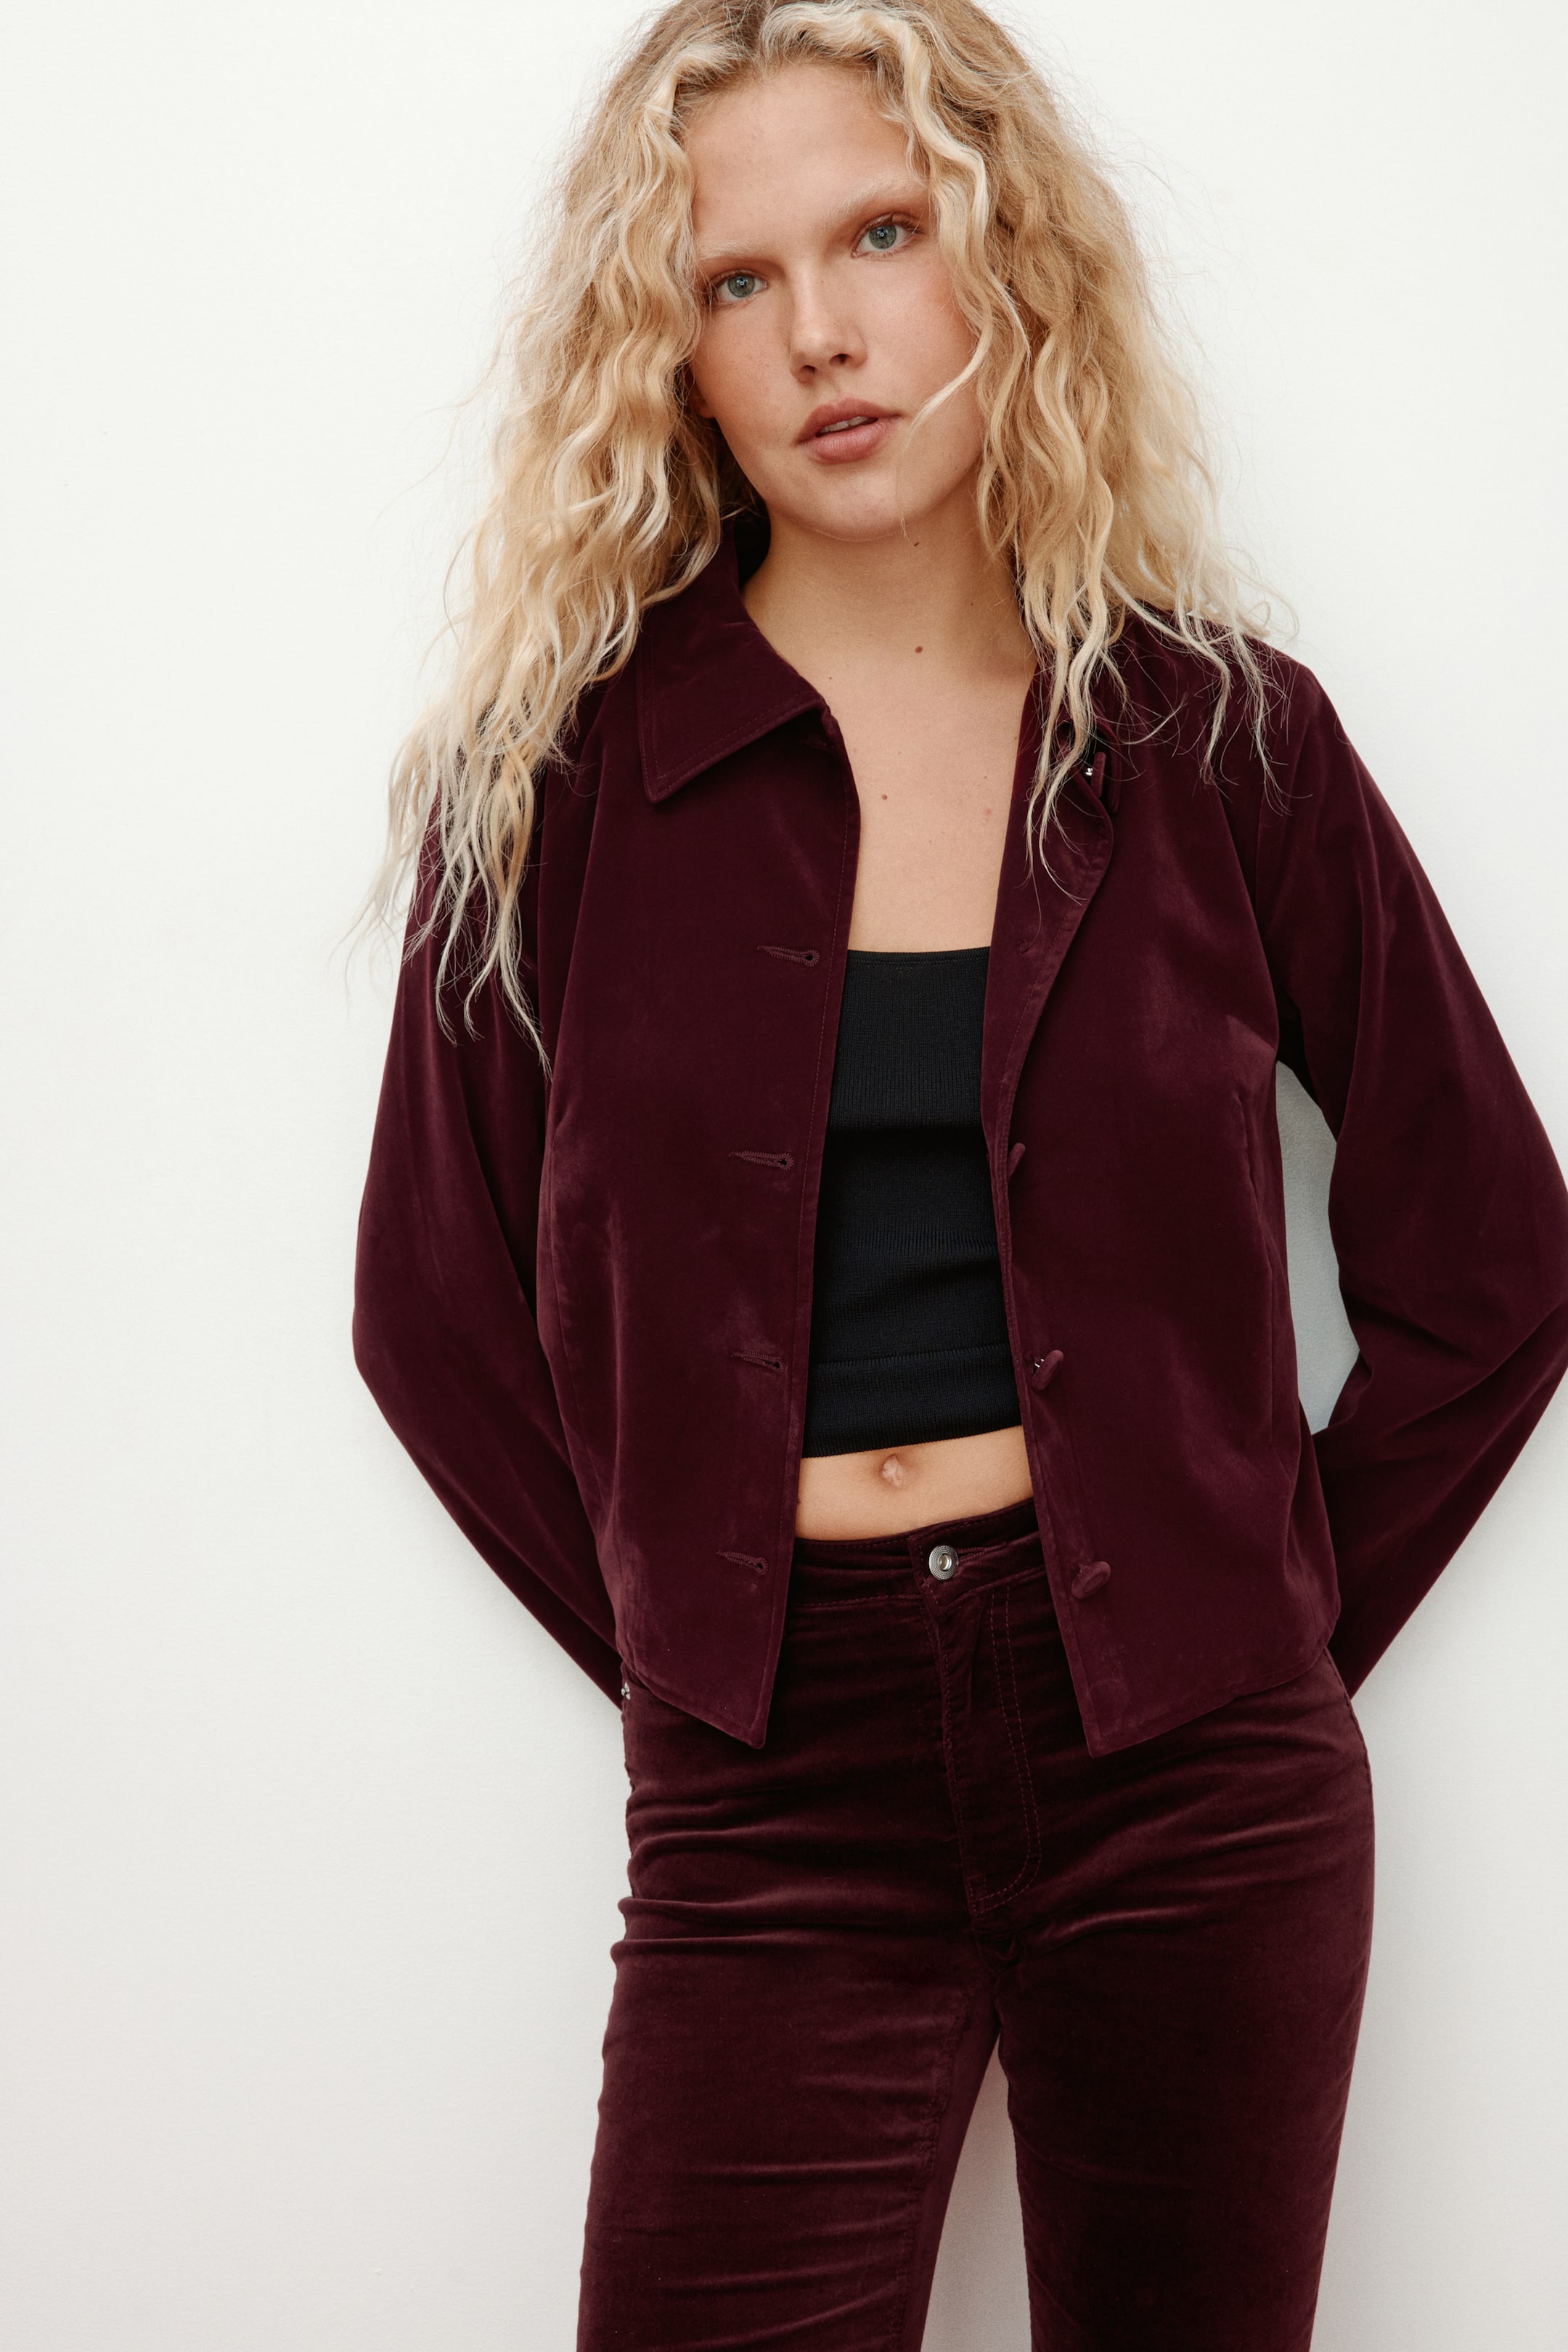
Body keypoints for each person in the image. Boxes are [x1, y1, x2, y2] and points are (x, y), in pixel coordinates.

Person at [352, 3, 1568, 2345]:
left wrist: (1251, 1622)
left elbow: (1493, 1264)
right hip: (768, 1803)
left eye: (884, 234)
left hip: (1197, 1783)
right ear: (672, 356)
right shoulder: (559, 788)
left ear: (1005, 257)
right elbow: (430, 1309)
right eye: (735, 279)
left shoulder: (1220, 742)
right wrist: (703, 1650)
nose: (820, 331)